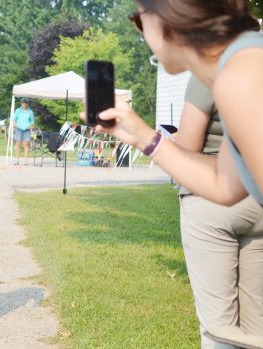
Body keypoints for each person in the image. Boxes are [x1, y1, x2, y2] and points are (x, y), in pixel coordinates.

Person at [97, 0, 263, 207]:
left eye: (139, 20)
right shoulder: (242, 63)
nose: (142, 34)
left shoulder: (240, 75)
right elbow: (223, 183)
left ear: (168, 16)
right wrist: (140, 135)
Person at [177, 76, 263, 349]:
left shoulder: (212, 66)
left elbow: (187, 146)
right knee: (257, 328)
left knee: (220, 327)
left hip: (213, 199)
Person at [12, 98, 34, 165]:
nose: (24, 104)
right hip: (19, 129)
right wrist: (15, 124)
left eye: (26, 103)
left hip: (27, 130)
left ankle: (26, 161)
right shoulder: (18, 110)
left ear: (27, 104)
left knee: (26, 145)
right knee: (18, 144)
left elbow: (32, 121)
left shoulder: (30, 111)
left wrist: (31, 126)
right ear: (21, 103)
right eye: (23, 102)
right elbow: (14, 119)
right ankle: (17, 160)